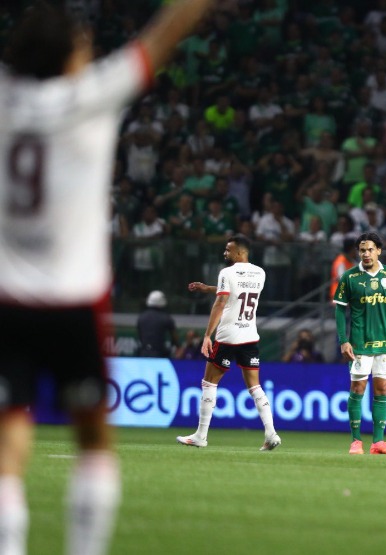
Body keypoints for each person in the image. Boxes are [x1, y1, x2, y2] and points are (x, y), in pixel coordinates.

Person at [0, 2, 216, 554]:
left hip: (9, 300)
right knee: (94, 440)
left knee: (6, 445)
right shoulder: (91, 94)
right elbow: (164, 34)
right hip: (73, 300)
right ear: (70, 55)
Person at [176, 235, 282, 451]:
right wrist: (207, 288)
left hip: (227, 337)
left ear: (240, 252)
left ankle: (201, 436)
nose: (225, 253)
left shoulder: (227, 273)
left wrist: (207, 335)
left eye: (228, 250)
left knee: (209, 383)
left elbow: (222, 302)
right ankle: (271, 434)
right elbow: (239, 291)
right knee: (255, 386)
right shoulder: (260, 272)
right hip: (249, 335)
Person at [333, 232, 386, 455]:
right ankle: (356, 441)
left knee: (382, 389)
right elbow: (339, 309)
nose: (366, 253)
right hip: (359, 344)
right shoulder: (350, 277)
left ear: (379, 251)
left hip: (385, 344)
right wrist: (343, 340)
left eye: (370, 249)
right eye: (362, 250)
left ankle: (378, 442)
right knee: (358, 388)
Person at [136, 290, 179, 357]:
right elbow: (174, 337)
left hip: (143, 353)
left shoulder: (141, 317)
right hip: (159, 354)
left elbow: (140, 336)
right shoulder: (166, 317)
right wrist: (176, 347)